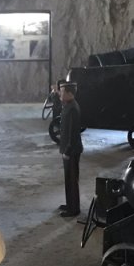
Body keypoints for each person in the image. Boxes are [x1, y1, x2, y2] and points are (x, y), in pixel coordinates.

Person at [57, 81, 83, 217]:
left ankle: (74, 209)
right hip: (69, 150)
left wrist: (67, 151)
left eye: (62, 92)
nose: (60, 94)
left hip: (71, 151)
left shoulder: (73, 108)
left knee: (72, 180)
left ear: (69, 93)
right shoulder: (68, 105)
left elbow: (72, 134)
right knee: (68, 178)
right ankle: (70, 204)